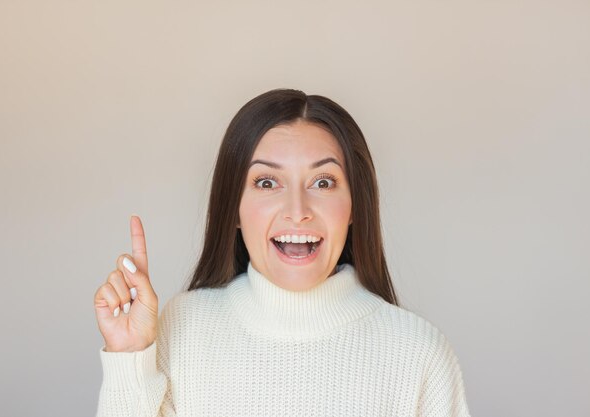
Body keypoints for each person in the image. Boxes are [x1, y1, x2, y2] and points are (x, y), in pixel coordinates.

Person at [93, 89, 472, 416]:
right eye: (267, 182)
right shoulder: (182, 328)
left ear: (355, 205)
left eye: (322, 182)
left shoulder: (418, 353)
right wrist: (129, 356)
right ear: (234, 208)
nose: (297, 209)